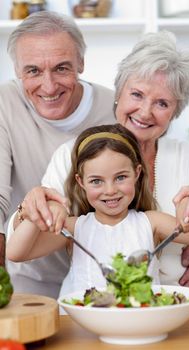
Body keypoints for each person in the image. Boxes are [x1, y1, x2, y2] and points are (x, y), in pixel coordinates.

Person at [17, 30, 189, 289]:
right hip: (91, 305)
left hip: (173, 305)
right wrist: (32, 206)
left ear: (174, 112)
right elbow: (26, 239)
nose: (145, 112)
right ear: (119, 92)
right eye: (136, 95)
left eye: (162, 103)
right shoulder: (75, 153)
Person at [6, 124, 189, 297]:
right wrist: (37, 212)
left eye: (120, 177)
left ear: (137, 173)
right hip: (84, 328)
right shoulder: (74, 227)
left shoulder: (152, 222)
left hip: (143, 323)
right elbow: (16, 253)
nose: (110, 191)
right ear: (80, 182)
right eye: (96, 181)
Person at [0, 11, 115, 297]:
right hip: (29, 281)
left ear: (81, 63)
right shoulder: (5, 103)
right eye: (33, 71)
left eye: (62, 68)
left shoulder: (116, 108)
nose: (49, 86)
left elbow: (150, 180)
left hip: (105, 279)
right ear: (17, 70)